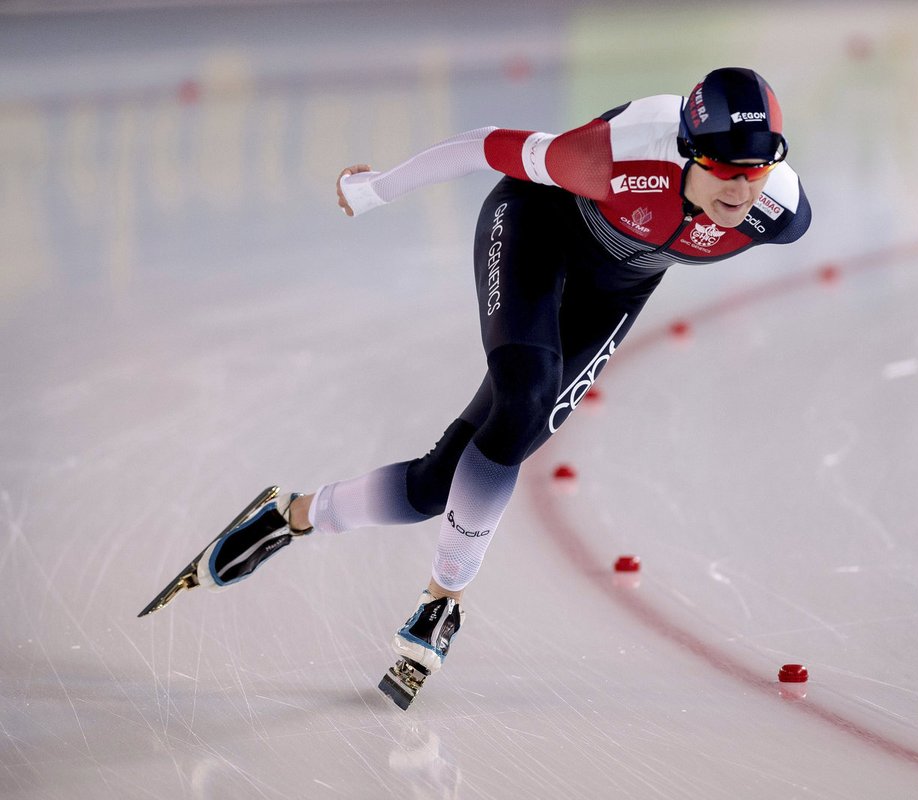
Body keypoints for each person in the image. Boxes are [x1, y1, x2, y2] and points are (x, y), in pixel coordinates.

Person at [155, 66, 811, 705]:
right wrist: (377, 188)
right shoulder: (611, 158)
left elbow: (757, 190)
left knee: (433, 488)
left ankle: (289, 515)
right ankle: (443, 604)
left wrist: (749, 182)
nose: (742, 187)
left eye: (757, 167)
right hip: (537, 228)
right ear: (688, 152)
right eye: (725, 168)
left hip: (614, 292)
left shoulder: (780, 213)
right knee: (526, 391)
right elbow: (481, 144)